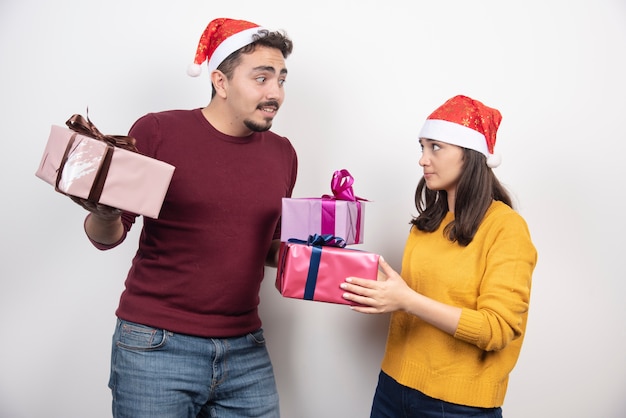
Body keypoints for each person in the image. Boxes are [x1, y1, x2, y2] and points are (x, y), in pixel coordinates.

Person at [72, 18, 297, 418]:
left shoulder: (282, 152)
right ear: (220, 82)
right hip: (157, 346)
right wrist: (104, 213)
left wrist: (324, 260)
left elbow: (268, 248)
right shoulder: (159, 131)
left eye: (281, 79)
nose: (275, 93)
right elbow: (108, 236)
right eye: (261, 78)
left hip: (246, 348)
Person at [340, 95, 537, 417]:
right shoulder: (428, 222)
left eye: (436, 147)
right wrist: (380, 292)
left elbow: (498, 329)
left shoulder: (506, 228)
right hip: (393, 387)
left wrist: (406, 300)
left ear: (470, 155)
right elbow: (419, 298)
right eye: (422, 147)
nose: (422, 159)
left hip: (457, 405)